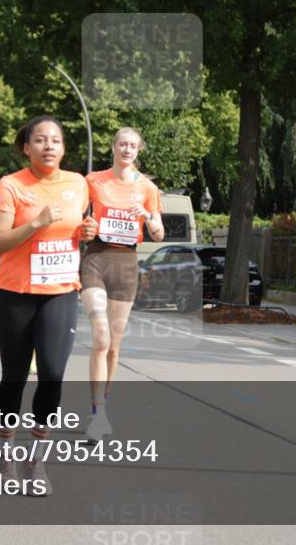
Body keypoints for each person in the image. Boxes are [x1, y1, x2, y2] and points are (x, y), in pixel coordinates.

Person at [0, 115, 93, 496]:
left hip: (61, 292)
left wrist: (87, 232)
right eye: (40, 140)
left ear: (64, 148)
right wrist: (36, 223)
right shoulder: (11, 186)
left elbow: (77, 229)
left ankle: (36, 460)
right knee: (14, 376)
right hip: (15, 294)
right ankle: (6, 452)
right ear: (25, 147)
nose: (49, 146)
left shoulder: (78, 184)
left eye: (56, 140)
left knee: (52, 375)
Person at [79, 127, 165, 442]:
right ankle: (97, 415)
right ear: (113, 147)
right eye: (122, 144)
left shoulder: (147, 188)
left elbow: (159, 234)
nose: (127, 150)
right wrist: (85, 229)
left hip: (127, 264)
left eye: (133, 146)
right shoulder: (93, 180)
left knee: (114, 347)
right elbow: (78, 220)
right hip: (96, 259)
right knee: (100, 338)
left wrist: (147, 216)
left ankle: (100, 408)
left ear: (138, 151)